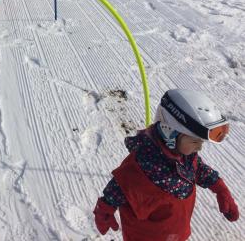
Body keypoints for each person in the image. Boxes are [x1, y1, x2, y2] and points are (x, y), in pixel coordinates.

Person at [93, 89, 239, 241]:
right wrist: (105, 209)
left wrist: (220, 189)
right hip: (145, 236)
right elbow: (119, 187)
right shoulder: (141, 166)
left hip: (176, 231)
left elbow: (199, 169)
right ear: (169, 133)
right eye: (195, 141)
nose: (199, 147)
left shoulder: (186, 156)